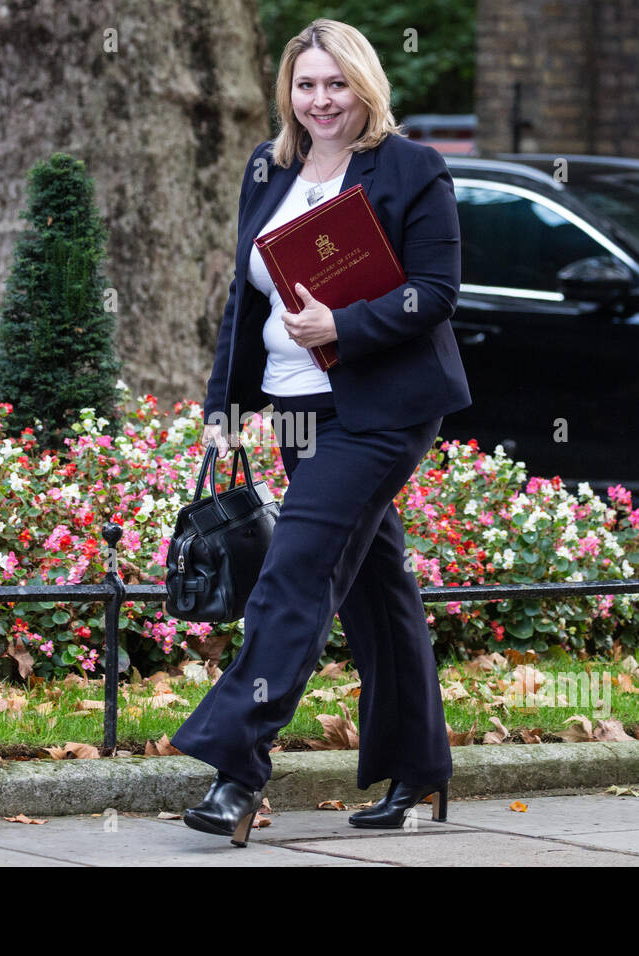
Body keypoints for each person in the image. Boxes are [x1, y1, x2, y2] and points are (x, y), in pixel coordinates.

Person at [170, 17, 473, 847]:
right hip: (294, 409)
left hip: (383, 411)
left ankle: (238, 769)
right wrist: (224, 408)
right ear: (288, 93)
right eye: (306, 84)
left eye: (336, 83)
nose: (321, 99)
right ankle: (418, 767)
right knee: (377, 586)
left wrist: (345, 323)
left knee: (295, 567)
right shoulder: (270, 169)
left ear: (364, 86)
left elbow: (436, 291)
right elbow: (248, 297)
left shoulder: (411, 168)